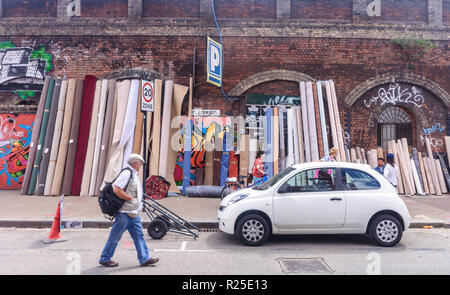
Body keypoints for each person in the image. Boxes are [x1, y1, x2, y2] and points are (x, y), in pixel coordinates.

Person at [99, 154, 159, 267]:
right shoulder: (127, 173)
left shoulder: (134, 174)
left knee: (139, 236)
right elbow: (116, 189)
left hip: (133, 212)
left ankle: (144, 258)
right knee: (115, 237)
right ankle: (105, 258)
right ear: (135, 163)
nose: (141, 165)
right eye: (140, 163)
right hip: (124, 213)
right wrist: (129, 198)